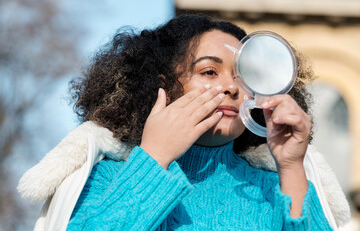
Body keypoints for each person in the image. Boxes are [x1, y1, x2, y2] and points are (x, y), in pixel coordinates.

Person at [18, 14, 350, 230]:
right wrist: (154, 157)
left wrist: (291, 167)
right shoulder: (106, 176)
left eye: (244, 76)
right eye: (209, 71)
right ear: (161, 86)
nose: (232, 87)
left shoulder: (268, 188)